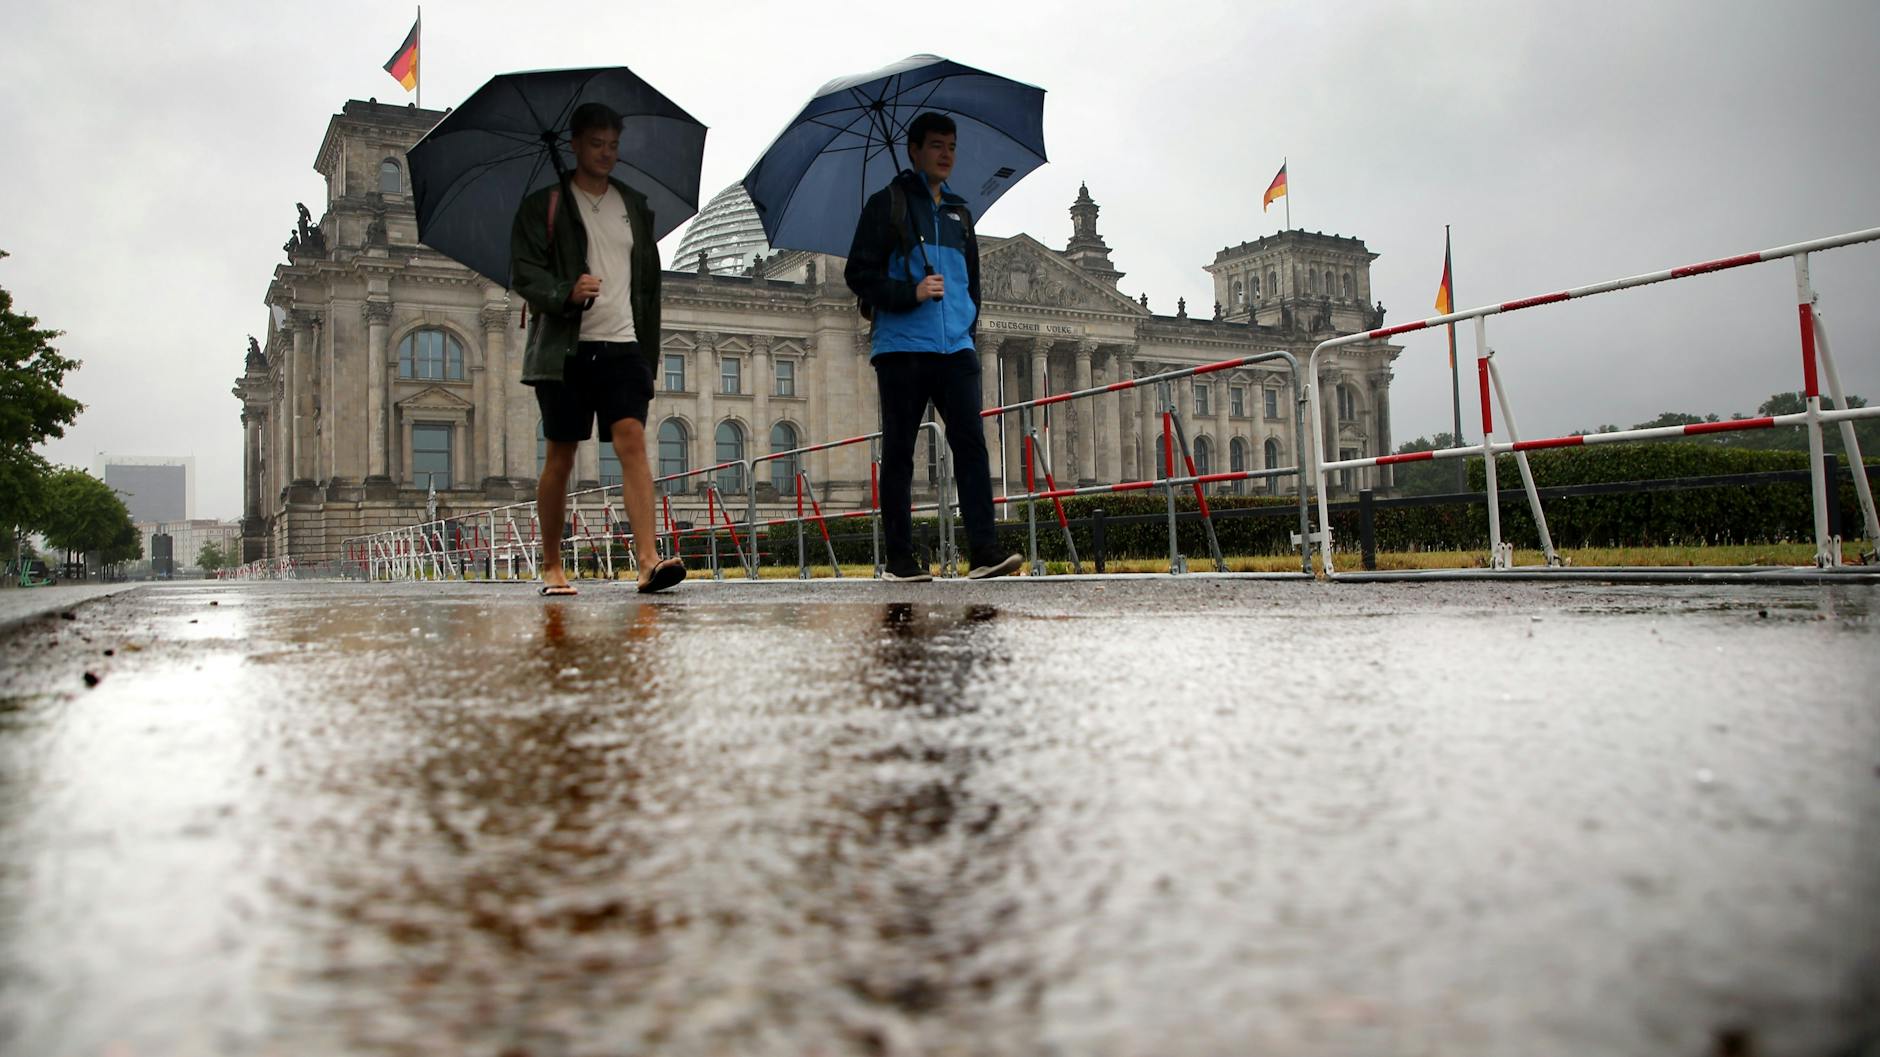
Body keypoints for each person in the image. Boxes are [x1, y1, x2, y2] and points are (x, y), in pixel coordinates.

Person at [510, 102, 684, 595]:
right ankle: (551, 565)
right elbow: (524, 273)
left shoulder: (633, 204)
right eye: (596, 144)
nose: (606, 153)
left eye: (613, 145)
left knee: (632, 440)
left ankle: (648, 561)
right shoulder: (543, 205)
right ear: (575, 145)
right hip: (566, 347)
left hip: (624, 343)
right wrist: (565, 290)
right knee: (561, 455)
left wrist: (647, 351)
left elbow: (646, 284)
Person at [844, 112, 1023, 582]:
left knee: (971, 445)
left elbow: (971, 282)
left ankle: (984, 551)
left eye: (952, 147)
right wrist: (912, 292)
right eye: (937, 146)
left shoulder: (960, 212)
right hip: (903, 346)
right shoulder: (888, 205)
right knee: (901, 451)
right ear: (915, 151)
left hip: (956, 348)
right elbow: (858, 275)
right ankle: (900, 560)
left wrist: (965, 319)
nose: (946, 155)